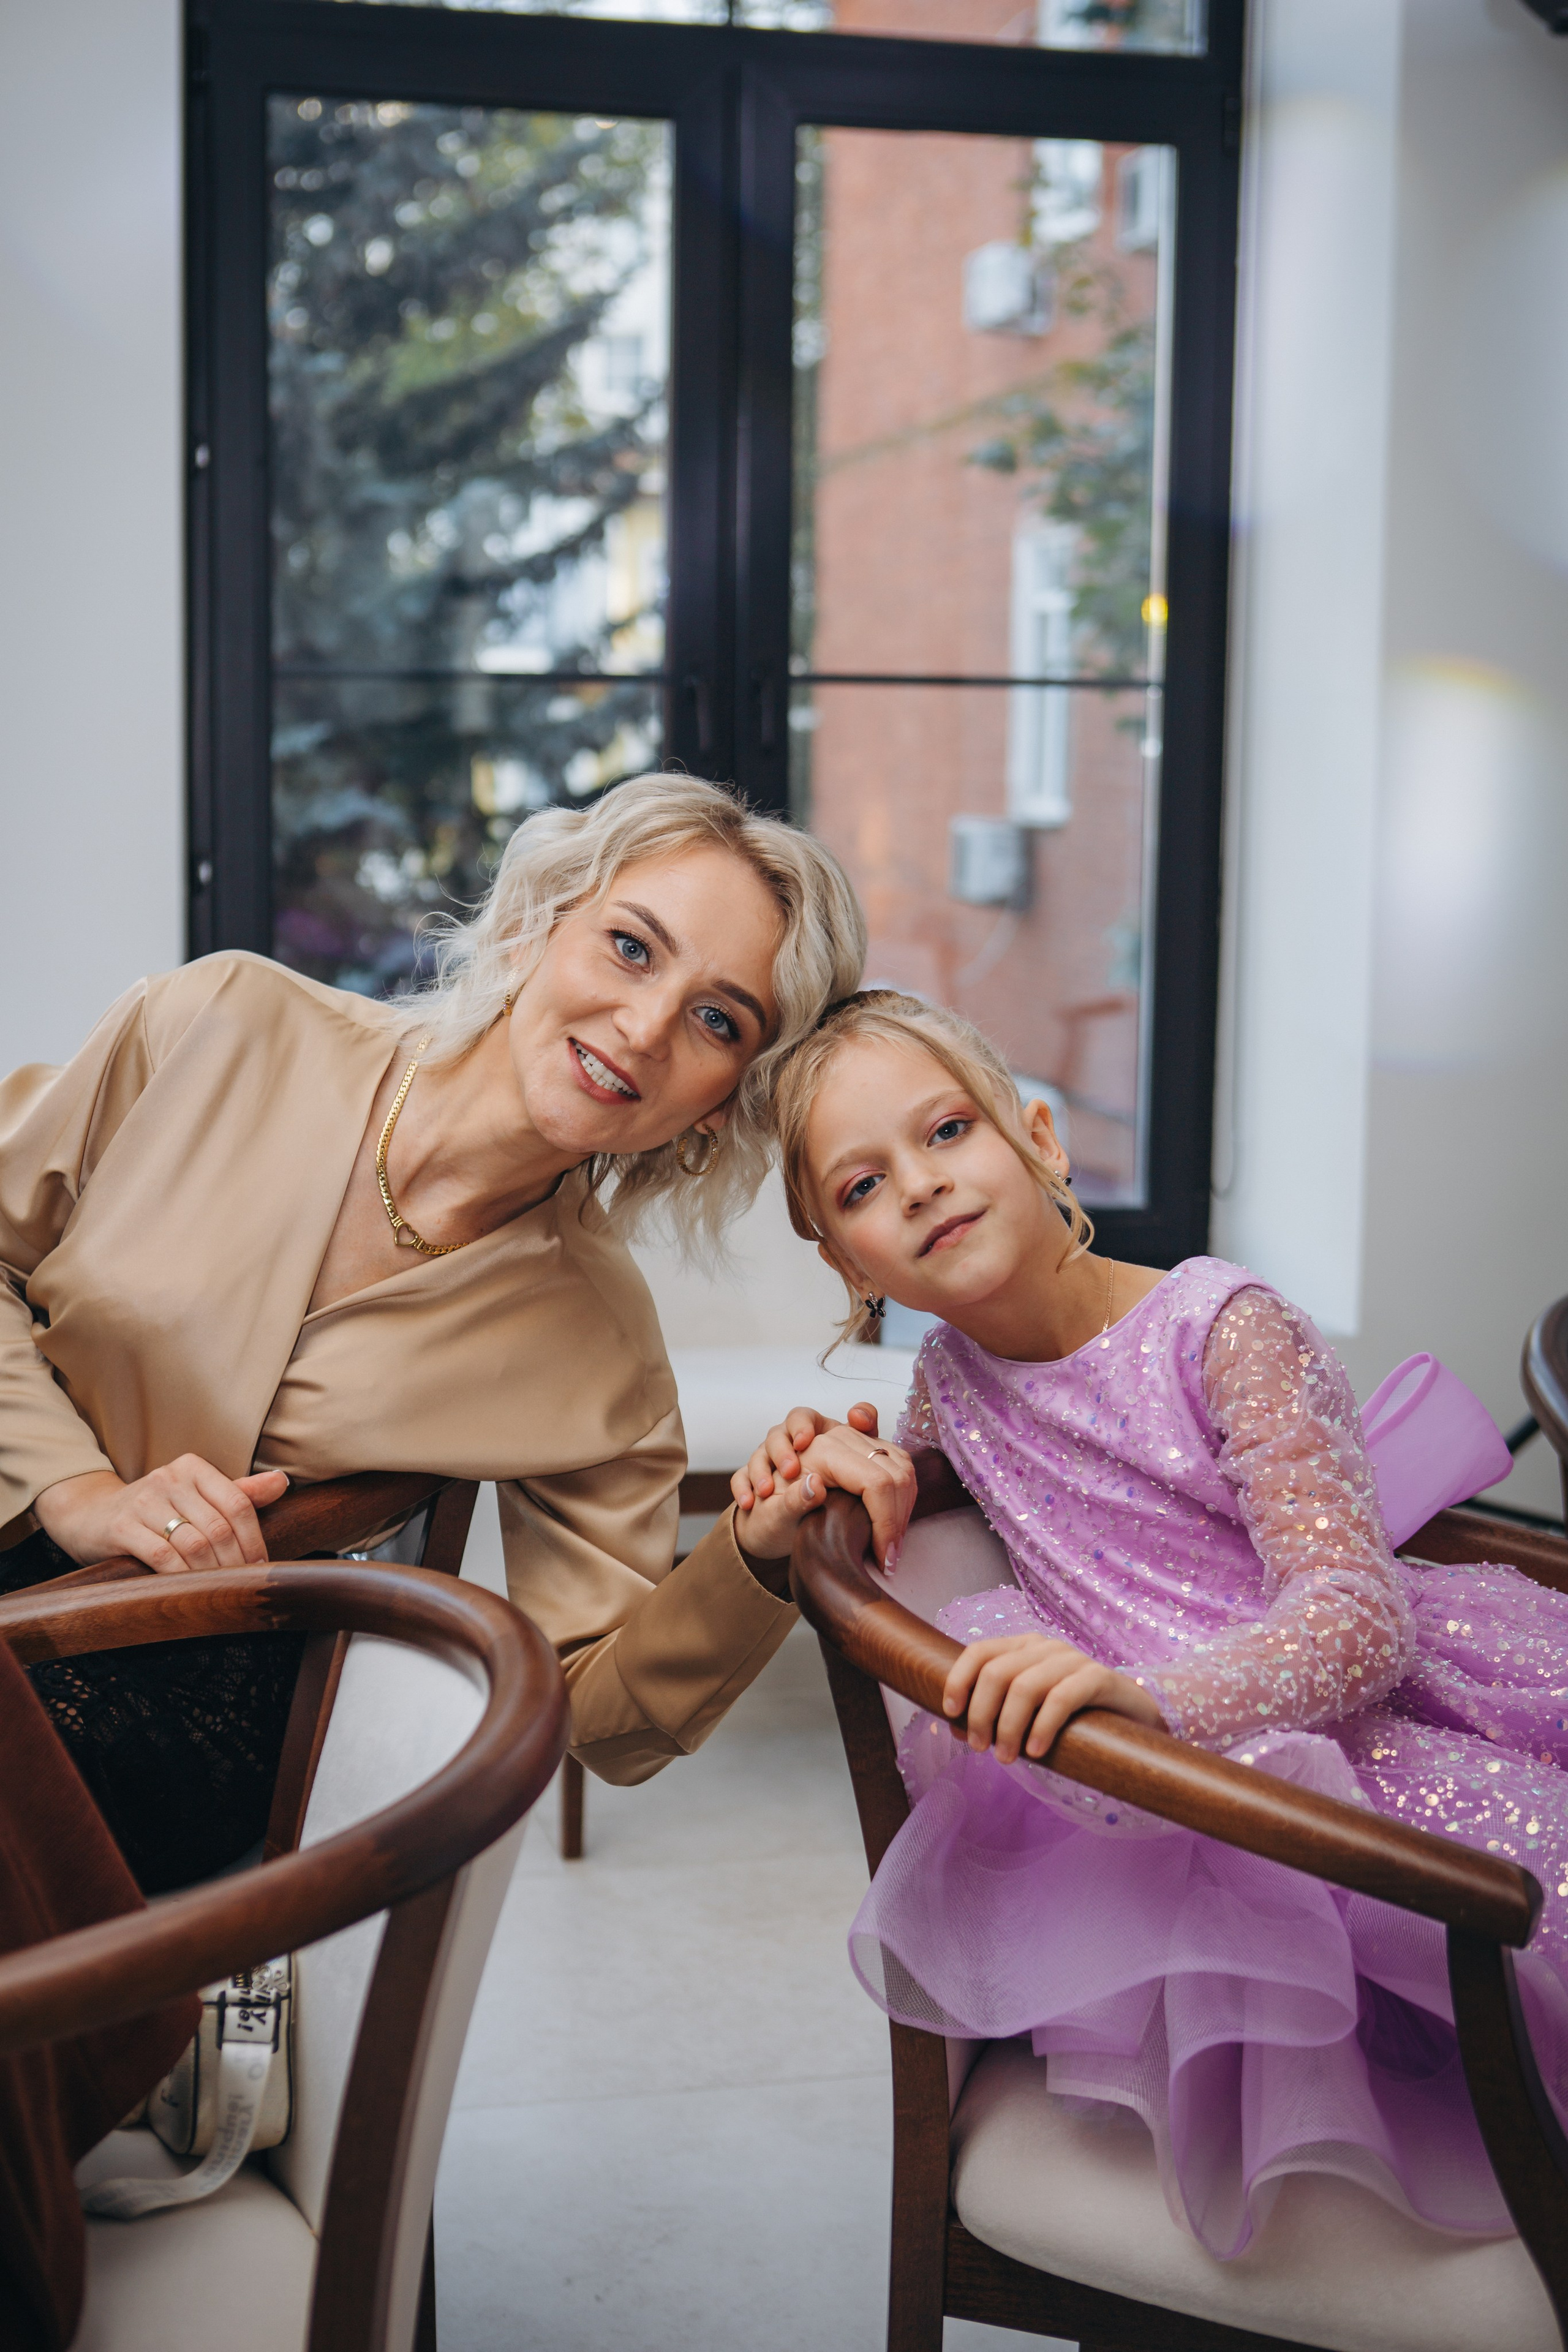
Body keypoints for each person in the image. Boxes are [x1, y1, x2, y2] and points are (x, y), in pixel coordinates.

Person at [733, 987, 1568, 2260]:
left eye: (946, 1131)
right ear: (852, 1264)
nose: (916, 1187)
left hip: (1344, 1743)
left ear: (1040, 1142)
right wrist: (813, 1474)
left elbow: (1355, 1623)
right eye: (859, 1188)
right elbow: (901, 1506)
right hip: (1176, 1794)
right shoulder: (946, 1386)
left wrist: (1152, 1703)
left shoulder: (1222, 1332)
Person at [0, 774, 868, 1894]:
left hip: (170, 1701)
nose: (645, 1027)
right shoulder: (220, 1021)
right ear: (531, 929)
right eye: (630, 947)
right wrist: (72, 1488)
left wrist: (756, 1552)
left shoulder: (601, 1357)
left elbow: (599, 1711)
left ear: (720, 1100)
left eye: (717, 1020)